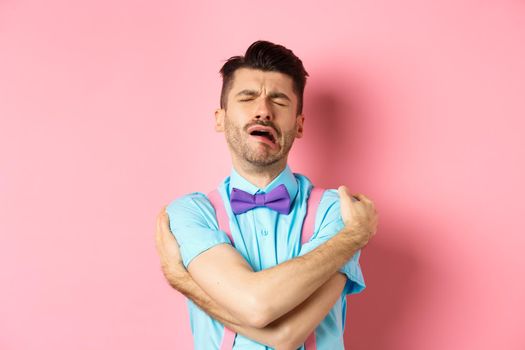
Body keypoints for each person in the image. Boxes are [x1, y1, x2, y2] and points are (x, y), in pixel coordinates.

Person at [155, 40, 378, 350]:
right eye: (247, 98)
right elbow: (258, 308)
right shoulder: (190, 213)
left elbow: (284, 334)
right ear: (220, 118)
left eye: (280, 100)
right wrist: (353, 238)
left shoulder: (340, 212)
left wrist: (184, 281)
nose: (263, 111)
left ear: (299, 125)